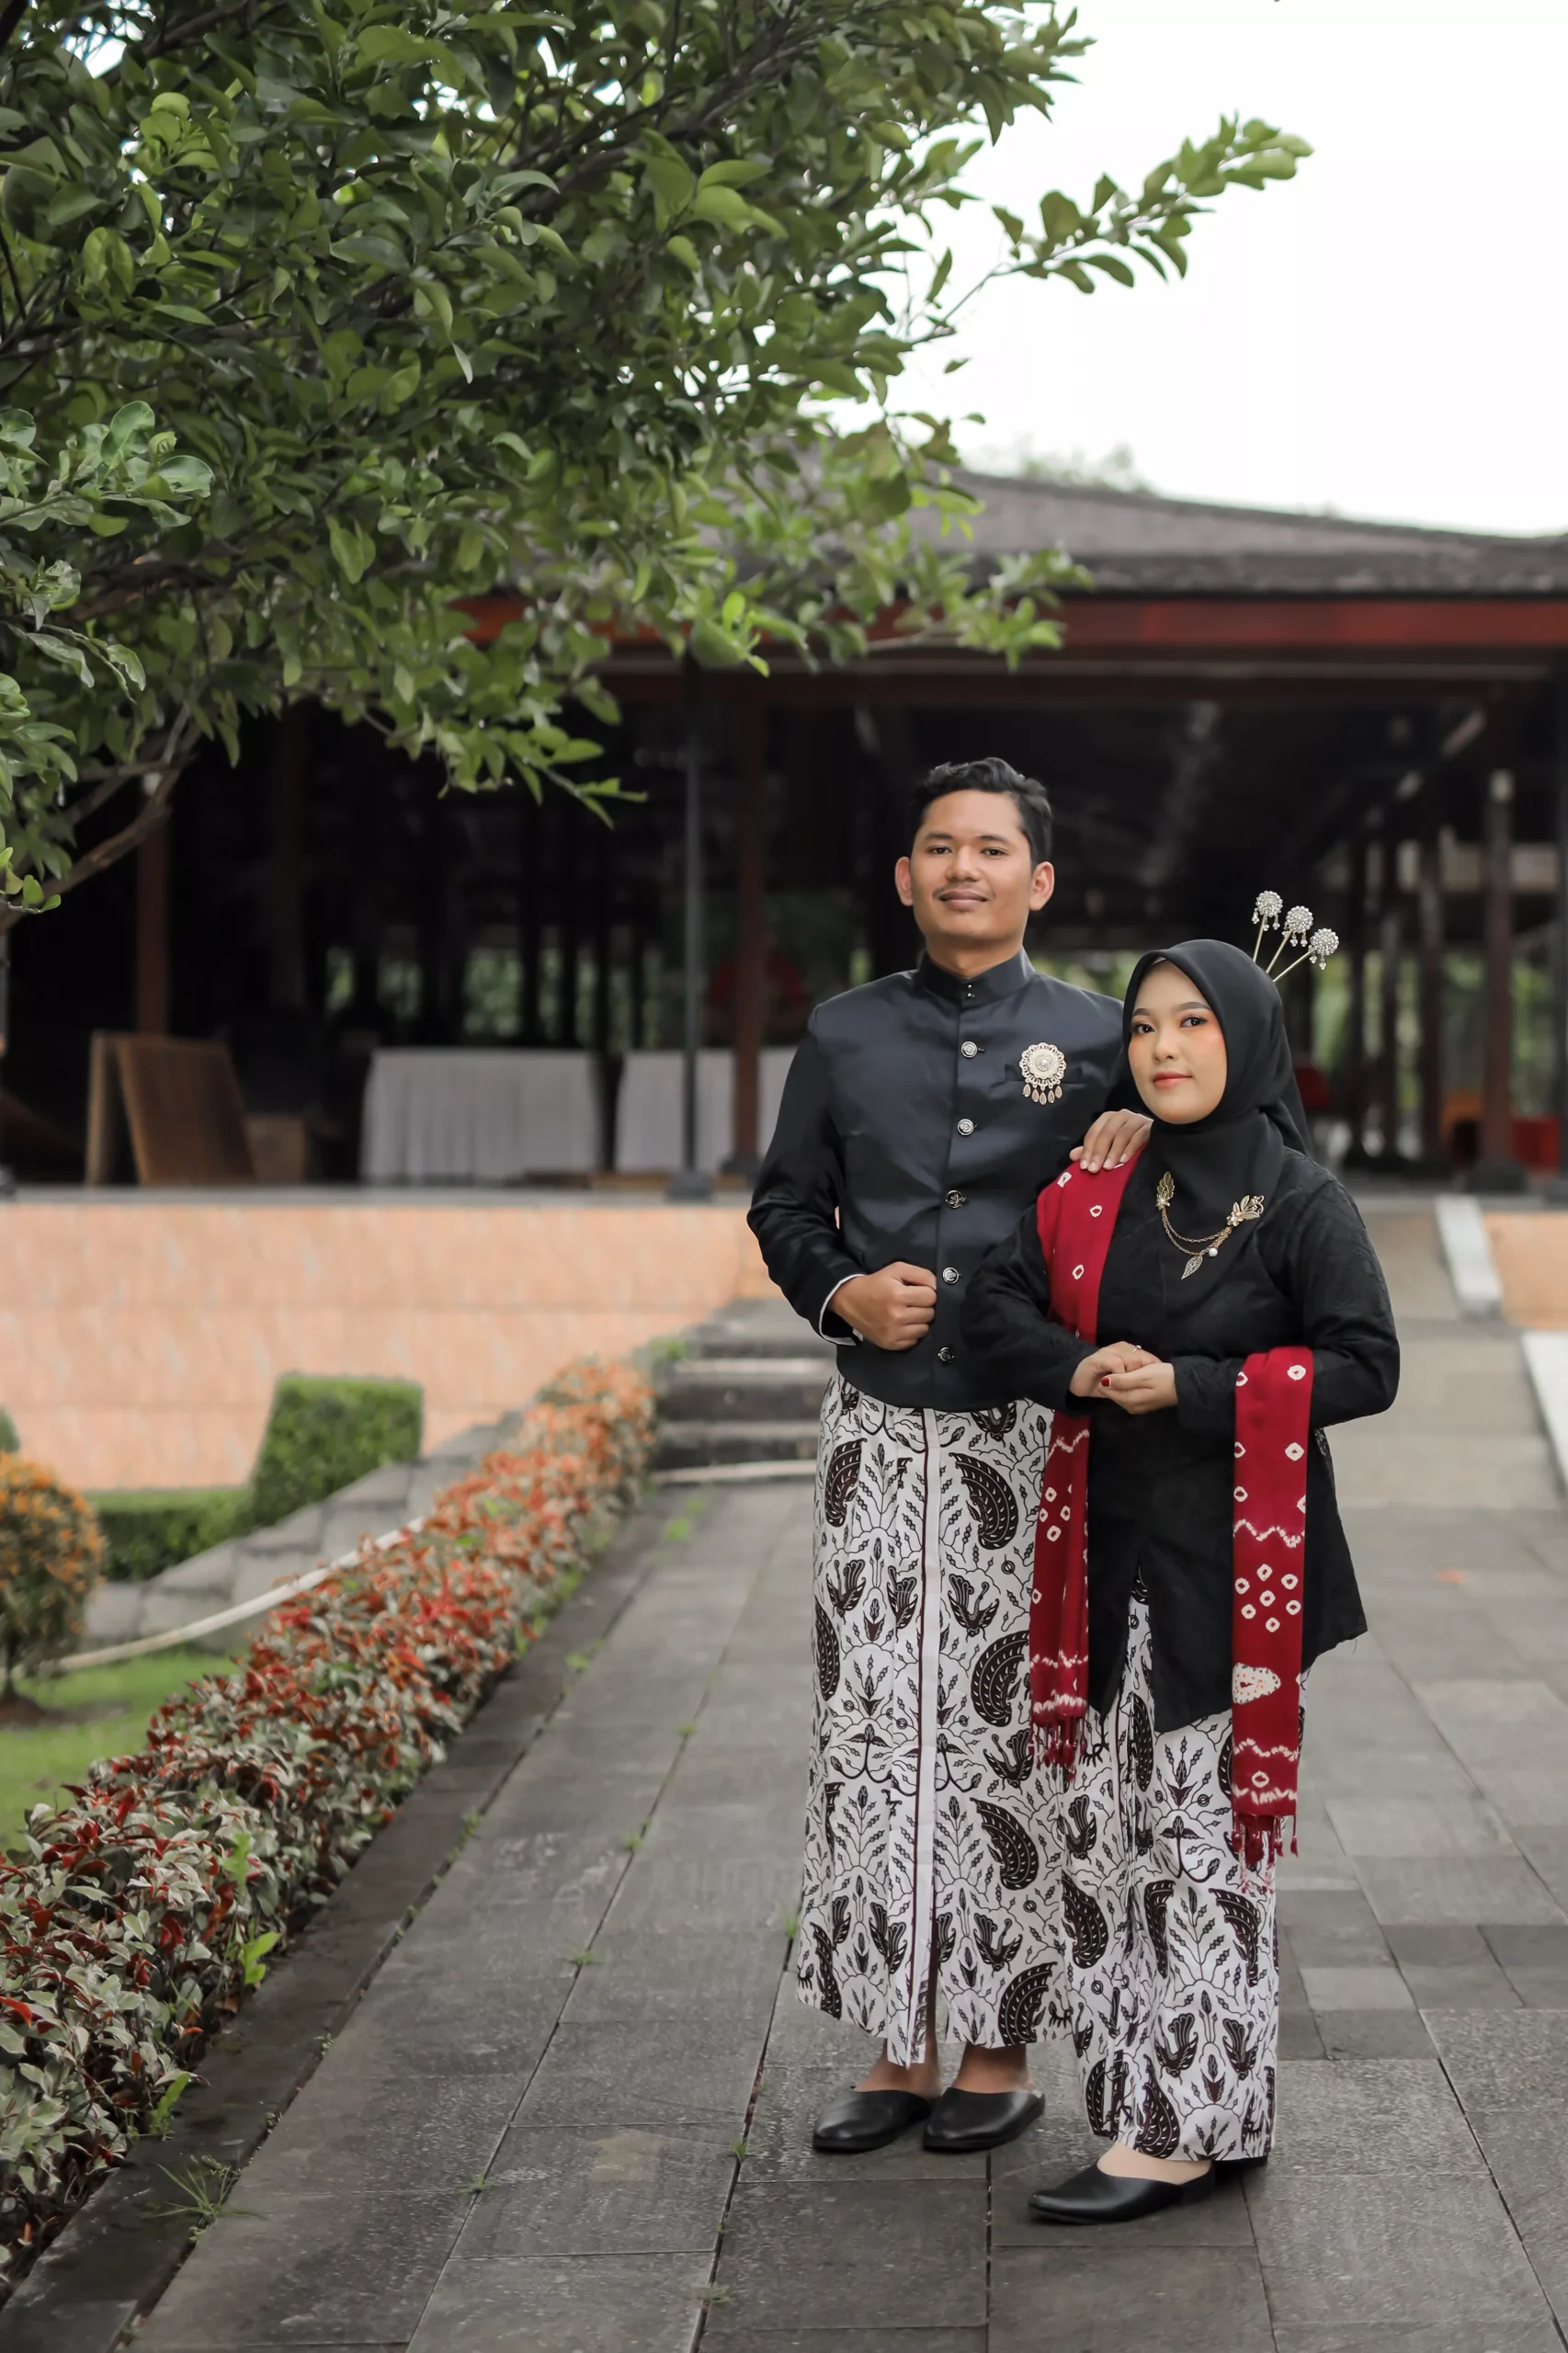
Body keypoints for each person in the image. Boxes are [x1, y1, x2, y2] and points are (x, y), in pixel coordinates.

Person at [748, 756, 1149, 2158]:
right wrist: (842, 1294)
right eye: (938, 848)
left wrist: (1144, 1133)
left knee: (1014, 1731)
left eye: (989, 849)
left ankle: (997, 2046)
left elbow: (1217, 1166)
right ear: (903, 878)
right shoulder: (843, 1033)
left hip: (1032, 1439)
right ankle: (894, 2046)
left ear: (1039, 881)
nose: (962, 868)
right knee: (871, 1729)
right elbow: (783, 1207)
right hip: (875, 1435)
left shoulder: (1099, 1039)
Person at [961, 939, 1398, 2220]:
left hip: (1228, 1577)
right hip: (1104, 1565)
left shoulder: (1301, 1201)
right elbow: (994, 1308)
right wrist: (1078, 1367)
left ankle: (1181, 2131)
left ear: (1247, 1039)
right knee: (1107, 1845)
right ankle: (1167, 2110)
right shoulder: (1100, 1184)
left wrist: (1195, 1389)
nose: (1162, 1048)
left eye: (1193, 1024)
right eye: (1145, 1026)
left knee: (1203, 1852)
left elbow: (1367, 1363)